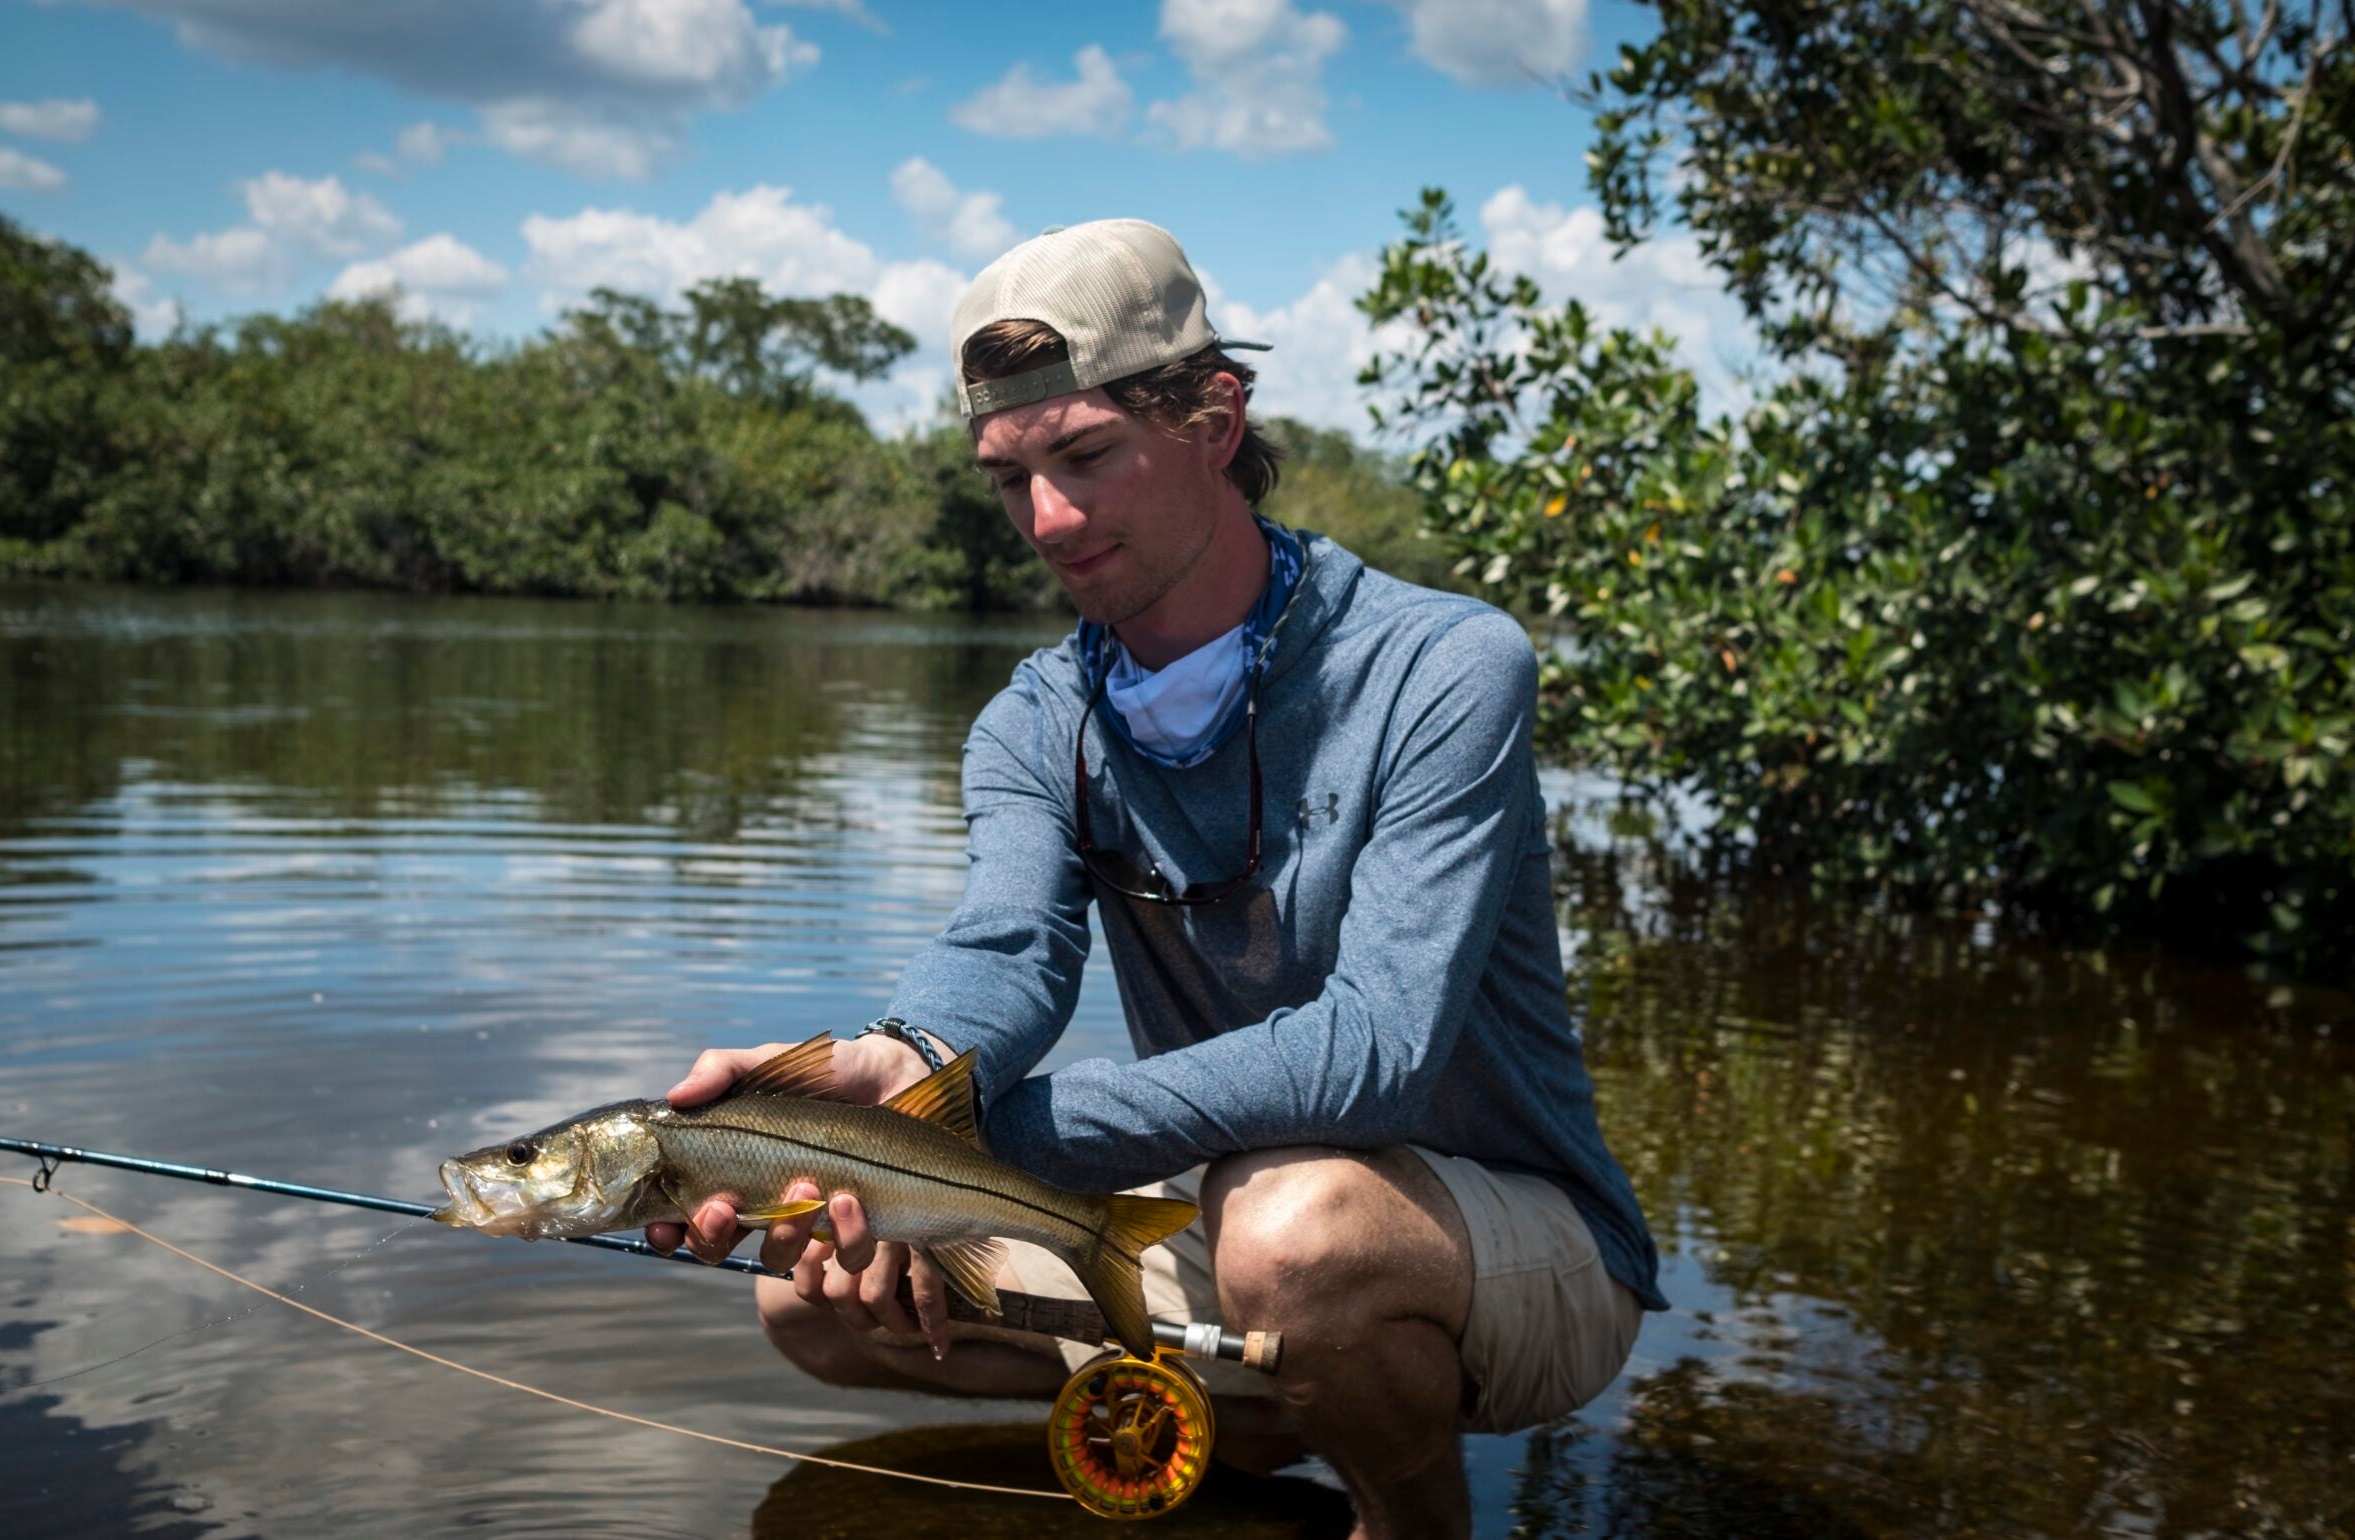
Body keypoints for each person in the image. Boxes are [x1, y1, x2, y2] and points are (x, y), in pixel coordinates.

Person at [644, 219, 1666, 1538]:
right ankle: (1255, 1475)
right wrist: (895, 1078)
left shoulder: (1446, 668)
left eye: (1084, 457)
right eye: (1009, 479)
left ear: (1215, 421)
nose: (1049, 522)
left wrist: (961, 1145)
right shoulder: (1033, 720)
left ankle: (1410, 1522)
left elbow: (1377, 1054)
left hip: (1517, 1242)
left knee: (1291, 1236)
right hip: (1236, 1204)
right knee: (816, 1292)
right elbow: (1006, 953)